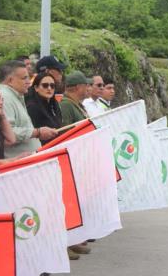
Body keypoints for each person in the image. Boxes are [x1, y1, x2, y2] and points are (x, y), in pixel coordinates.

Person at [58, 70, 92, 259]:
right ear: (77, 87)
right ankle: (67, 242)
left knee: (77, 201)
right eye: (85, 85)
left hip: (80, 158)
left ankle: (74, 239)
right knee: (68, 202)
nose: (88, 88)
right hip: (71, 159)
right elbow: (65, 134)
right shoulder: (66, 106)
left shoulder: (76, 105)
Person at [0, 60, 57, 158]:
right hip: (17, 164)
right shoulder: (5, 98)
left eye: (28, 78)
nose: (29, 82)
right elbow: (8, 132)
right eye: (24, 78)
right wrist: (37, 132)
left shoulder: (15, 96)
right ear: (10, 80)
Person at [26, 73, 62, 145]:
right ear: (36, 88)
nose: (49, 88)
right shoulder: (32, 107)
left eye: (52, 86)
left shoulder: (54, 105)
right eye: (45, 85)